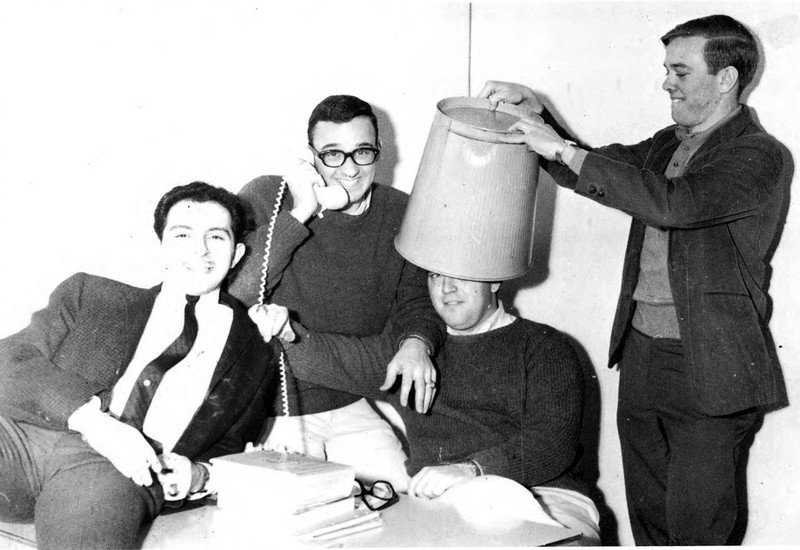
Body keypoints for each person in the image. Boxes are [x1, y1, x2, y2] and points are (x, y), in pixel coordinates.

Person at [478, 14, 789, 545]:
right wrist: (537, 115)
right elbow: (596, 168)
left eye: (680, 71)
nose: (666, 82)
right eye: (667, 70)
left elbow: (675, 204)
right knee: (649, 522)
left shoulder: (758, 154)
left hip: (711, 366)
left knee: (697, 531)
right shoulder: (669, 143)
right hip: (643, 354)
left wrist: (561, 148)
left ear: (726, 78)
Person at [0, 182, 281, 549]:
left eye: (216, 236)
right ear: (161, 246)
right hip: (22, 438)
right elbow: (10, 359)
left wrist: (199, 475)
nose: (200, 249)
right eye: (183, 235)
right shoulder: (93, 296)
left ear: (237, 252)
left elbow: (231, 444)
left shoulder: (255, 351)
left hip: (114, 472)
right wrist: (94, 423)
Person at [251, 271, 601, 544]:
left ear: (495, 280)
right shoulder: (410, 354)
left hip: (550, 496)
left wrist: (472, 470)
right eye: (435, 276)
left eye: (461, 275)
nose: (447, 288)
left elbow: (553, 444)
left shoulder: (544, 346)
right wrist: (286, 332)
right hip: (447, 505)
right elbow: (336, 359)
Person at [228, 94, 444, 488]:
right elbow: (237, 294)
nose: (349, 168)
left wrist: (416, 341)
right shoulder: (267, 196)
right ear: (309, 156)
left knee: (405, 497)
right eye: (332, 154)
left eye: (362, 151)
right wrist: (301, 211)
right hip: (275, 410)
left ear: (379, 151)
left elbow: (417, 299)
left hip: (349, 401)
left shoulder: (403, 212)